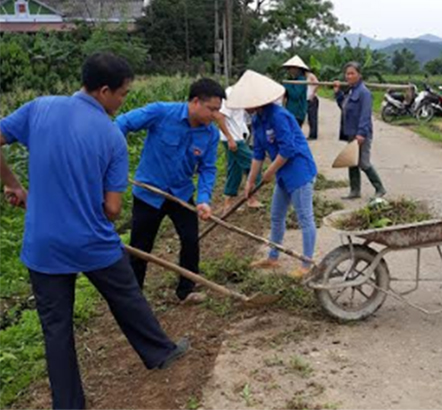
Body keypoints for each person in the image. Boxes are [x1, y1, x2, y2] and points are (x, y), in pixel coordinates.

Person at [0, 53, 188, 410]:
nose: (122, 101)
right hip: (92, 242)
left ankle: (68, 404)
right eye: (122, 94)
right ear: (104, 91)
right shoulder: (110, 135)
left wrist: (13, 185)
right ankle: (160, 352)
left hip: (43, 246)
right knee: (127, 298)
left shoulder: (38, 108)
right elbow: (113, 208)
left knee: (56, 329)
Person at [115, 78, 225, 303]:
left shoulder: (210, 134)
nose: (214, 115)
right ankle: (133, 297)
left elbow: (208, 169)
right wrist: (114, 156)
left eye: (218, 110)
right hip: (148, 194)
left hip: (181, 194)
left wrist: (204, 199)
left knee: (190, 240)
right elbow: (121, 124)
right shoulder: (161, 113)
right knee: (140, 247)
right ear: (195, 102)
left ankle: (186, 290)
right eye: (211, 109)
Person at [227, 70, 317, 279]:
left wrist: (269, 172)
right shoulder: (257, 120)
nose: (245, 107)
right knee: (276, 216)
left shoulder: (279, 116)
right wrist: (250, 182)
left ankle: (307, 264)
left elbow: (288, 149)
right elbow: (258, 152)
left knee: (305, 218)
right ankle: (273, 257)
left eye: (247, 103)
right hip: (283, 174)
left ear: (257, 100)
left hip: (299, 172)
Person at [334, 62, 386, 199]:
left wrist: (361, 133)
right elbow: (344, 107)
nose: (349, 76)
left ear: (359, 75)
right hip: (351, 132)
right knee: (352, 161)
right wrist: (338, 93)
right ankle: (354, 191)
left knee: (363, 162)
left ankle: (380, 188)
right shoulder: (350, 91)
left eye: (352, 73)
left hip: (361, 133)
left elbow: (365, 114)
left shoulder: (364, 92)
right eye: (347, 73)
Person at [214, 86, 263, 212]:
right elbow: (219, 116)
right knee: (254, 165)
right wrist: (230, 138)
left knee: (235, 170)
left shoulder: (241, 94)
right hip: (233, 139)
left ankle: (228, 204)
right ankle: (251, 199)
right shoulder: (231, 94)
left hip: (237, 138)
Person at [282, 55, 309, 127]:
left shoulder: (301, 80)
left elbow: (295, 95)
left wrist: (287, 85)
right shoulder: (293, 81)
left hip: (297, 114)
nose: (290, 70)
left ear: (298, 69)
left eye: (292, 68)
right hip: (290, 112)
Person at [306, 69, 320, 140]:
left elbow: (317, 83)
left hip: (312, 99)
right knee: (309, 118)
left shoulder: (310, 75)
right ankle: (312, 133)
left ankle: (313, 134)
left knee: (312, 117)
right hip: (307, 99)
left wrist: (313, 94)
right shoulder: (304, 77)